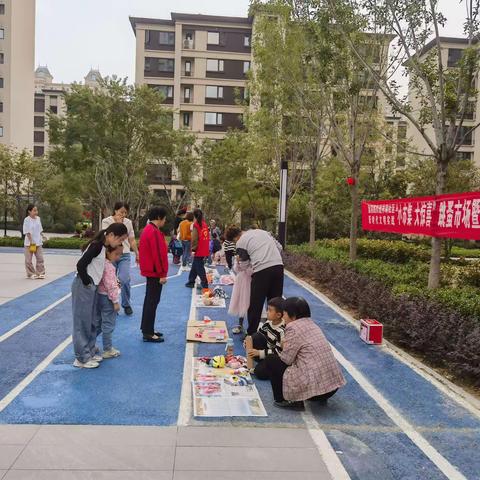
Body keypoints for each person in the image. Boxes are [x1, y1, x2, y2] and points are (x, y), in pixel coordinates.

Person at [263, 297, 346, 409]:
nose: (283, 317)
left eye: (285, 314)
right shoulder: (313, 325)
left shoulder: (293, 328)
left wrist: (284, 346)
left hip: (314, 393)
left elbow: (286, 359)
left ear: (293, 316)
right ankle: (319, 393)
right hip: (332, 388)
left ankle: (285, 400)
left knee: (271, 360)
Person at [72, 223, 128, 369]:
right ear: (110, 236)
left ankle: (89, 351)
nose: (119, 243)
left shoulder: (102, 247)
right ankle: (81, 358)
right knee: (82, 323)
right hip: (84, 286)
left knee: (91, 321)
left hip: (91, 287)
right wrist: (87, 282)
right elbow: (80, 265)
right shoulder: (97, 246)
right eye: (119, 239)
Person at [225, 226, 284, 335]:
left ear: (234, 238)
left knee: (255, 304)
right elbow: (279, 247)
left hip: (261, 270)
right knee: (275, 302)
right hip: (278, 266)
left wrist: (239, 260)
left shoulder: (241, 242)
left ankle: (251, 333)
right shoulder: (262, 232)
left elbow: (244, 265)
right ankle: (275, 332)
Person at [102, 202, 138, 316]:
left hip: (124, 254)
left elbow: (131, 239)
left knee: (124, 279)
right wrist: (117, 223)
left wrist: (137, 253)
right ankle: (112, 304)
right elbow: (106, 237)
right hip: (111, 254)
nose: (123, 214)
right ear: (115, 210)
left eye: (125, 212)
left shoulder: (128, 222)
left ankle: (126, 304)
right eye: (121, 211)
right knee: (110, 281)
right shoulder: (106, 221)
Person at [138, 207, 169, 343]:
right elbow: (158, 254)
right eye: (164, 217)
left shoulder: (149, 230)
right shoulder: (153, 232)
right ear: (159, 217)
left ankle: (147, 328)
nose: (165, 220)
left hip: (151, 271)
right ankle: (148, 332)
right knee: (152, 301)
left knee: (150, 301)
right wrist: (162, 274)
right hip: (155, 272)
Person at [246, 297, 286, 379]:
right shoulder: (268, 322)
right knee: (255, 337)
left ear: (278, 315)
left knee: (259, 372)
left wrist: (259, 353)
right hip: (268, 350)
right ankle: (263, 361)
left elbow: (279, 352)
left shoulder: (282, 331)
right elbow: (259, 335)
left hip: (276, 357)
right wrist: (248, 342)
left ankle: (273, 370)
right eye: (267, 309)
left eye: (270, 310)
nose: (267, 312)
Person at [96, 244, 123, 359]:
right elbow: (110, 285)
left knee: (98, 323)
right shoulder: (109, 266)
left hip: (100, 297)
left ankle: (90, 344)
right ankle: (107, 349)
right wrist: (115, 301)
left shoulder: (102, 264)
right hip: (108, 299)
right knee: (108, 324)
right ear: (107, 252)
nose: (118, 257)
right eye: (116, 254)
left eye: (120, 254)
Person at [185, 208, 209, 289]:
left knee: (199, 267)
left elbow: (194, 238)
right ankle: (191, 281)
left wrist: (193, 250)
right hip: (204, 247)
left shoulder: (196, 225)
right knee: (195, 265)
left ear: (194, 216)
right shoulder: (204, 224)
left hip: (198, 248)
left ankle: (204, 283)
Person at [228, 257, 253, 334]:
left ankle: (251, 327)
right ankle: (240, 324)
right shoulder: (239, 256)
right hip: (240, 281)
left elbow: (251, 272)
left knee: (249, 302)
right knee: (240, 301)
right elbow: (236, 269)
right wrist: (238, 262)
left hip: (249, 281)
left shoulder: (252, 257)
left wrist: (245, 266)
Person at [23, 204, 46, 280]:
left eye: (36, 210)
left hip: (38, 242)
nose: (36, 212)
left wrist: (43, 236)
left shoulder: (38, 218)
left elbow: (39, 229)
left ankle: (40, 273)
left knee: (40, 258)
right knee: (28, 260)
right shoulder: (27, 219)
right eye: (34, 210)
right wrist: (31, 241)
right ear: (29, 211)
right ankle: (31, 274)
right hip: (29, 243)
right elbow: (27, 231)